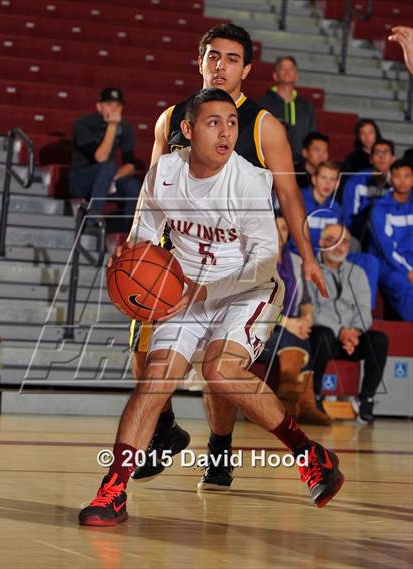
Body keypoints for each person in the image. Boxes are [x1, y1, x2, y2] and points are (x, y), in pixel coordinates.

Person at [78, 89, 344, 526]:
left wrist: (202, 292)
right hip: (184, 287)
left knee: (220, 370)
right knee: (154, 380)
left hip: (247, 288)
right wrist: (127, 261)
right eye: (213, 122)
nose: (225, 132)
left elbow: (264, 263)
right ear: (187, 129)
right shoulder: (164, 172)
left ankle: (309, 454)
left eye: (232, 123)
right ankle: (114, 491)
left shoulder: (248, 181)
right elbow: (142, 237)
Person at [131, 24, 328, 489]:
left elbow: (290, 195)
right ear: (198, 61)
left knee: (219, 367)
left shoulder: (262, 126)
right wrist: (138, 248)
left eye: (232, 58)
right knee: (144, 350)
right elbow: (153, 188)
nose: (221, 65)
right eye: (213, 56)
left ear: (247, 69)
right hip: (177, 254)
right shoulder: (170, 119)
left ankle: (219, 451)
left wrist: (308, 255)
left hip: (235, 263)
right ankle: (163, 430)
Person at [309, 224, 389, 424]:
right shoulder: (309, 270)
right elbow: (310, 310)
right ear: (321, 243)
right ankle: (314, 397)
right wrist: (340, 331)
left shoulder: (358, 273)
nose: (339, 246)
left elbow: (364, 311)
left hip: (350, 340)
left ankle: (366, 399)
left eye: (344, 241)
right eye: (332, 240)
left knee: (379, 340)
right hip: (322, 337)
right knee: (322, 335)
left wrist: (354, 332)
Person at [256, 215, 330, 425]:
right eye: (276, 227)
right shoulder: (259, 260)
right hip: (260, 329)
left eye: (285, 228)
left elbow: (306, 299)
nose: (280, 232)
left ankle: (302, 406)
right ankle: (293, 395)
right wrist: (288, 322)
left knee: (308, 336)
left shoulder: (297, 261)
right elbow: (258, 304)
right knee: (288, 335)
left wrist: (306, 318)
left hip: (290, 328)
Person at [69, 87, 141, 229]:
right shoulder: (83, 124)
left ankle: (130, 234)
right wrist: (112, 126)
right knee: (108, 165)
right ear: (99, 106)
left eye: (118, 105)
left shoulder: (125, 127)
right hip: (80, 180)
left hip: (106, 179)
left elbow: (130, 164)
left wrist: (112, 178)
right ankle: (91, 221)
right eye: (109, 104)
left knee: (132, 185)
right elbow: (101, 157)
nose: (114, 109)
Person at [369, 159, 413, 321]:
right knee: (408, 290)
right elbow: (386, 249)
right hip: (391, 267)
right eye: (397, 176)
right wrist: (408, 270)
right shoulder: (380, 208)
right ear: (390, 178)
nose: (402, 181)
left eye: (407, 176)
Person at [258, 56, 317, 161]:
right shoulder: (262, 104)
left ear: (296, 75)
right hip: (270, 162)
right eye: (282, 68)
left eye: (291, 68)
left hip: (300, 165)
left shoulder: (307, 106)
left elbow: (312, 138)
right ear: (275, 76)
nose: (287, 71)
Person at [342, 139, 395, 244]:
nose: (381, 157)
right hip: (360, 235)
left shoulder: (400, 182)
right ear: (371, 159)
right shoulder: (355, 181)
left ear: (393, 159)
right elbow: (348, 217)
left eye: (386, 153)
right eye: (377, 153)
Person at [289, 161, 343, 254]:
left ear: (337, 184)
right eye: (323, 178)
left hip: (323, 258)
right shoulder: (298, 200)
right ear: (314, 179)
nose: (328, 183)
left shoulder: (336, 208)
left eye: (332, 179)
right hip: (296, 256)